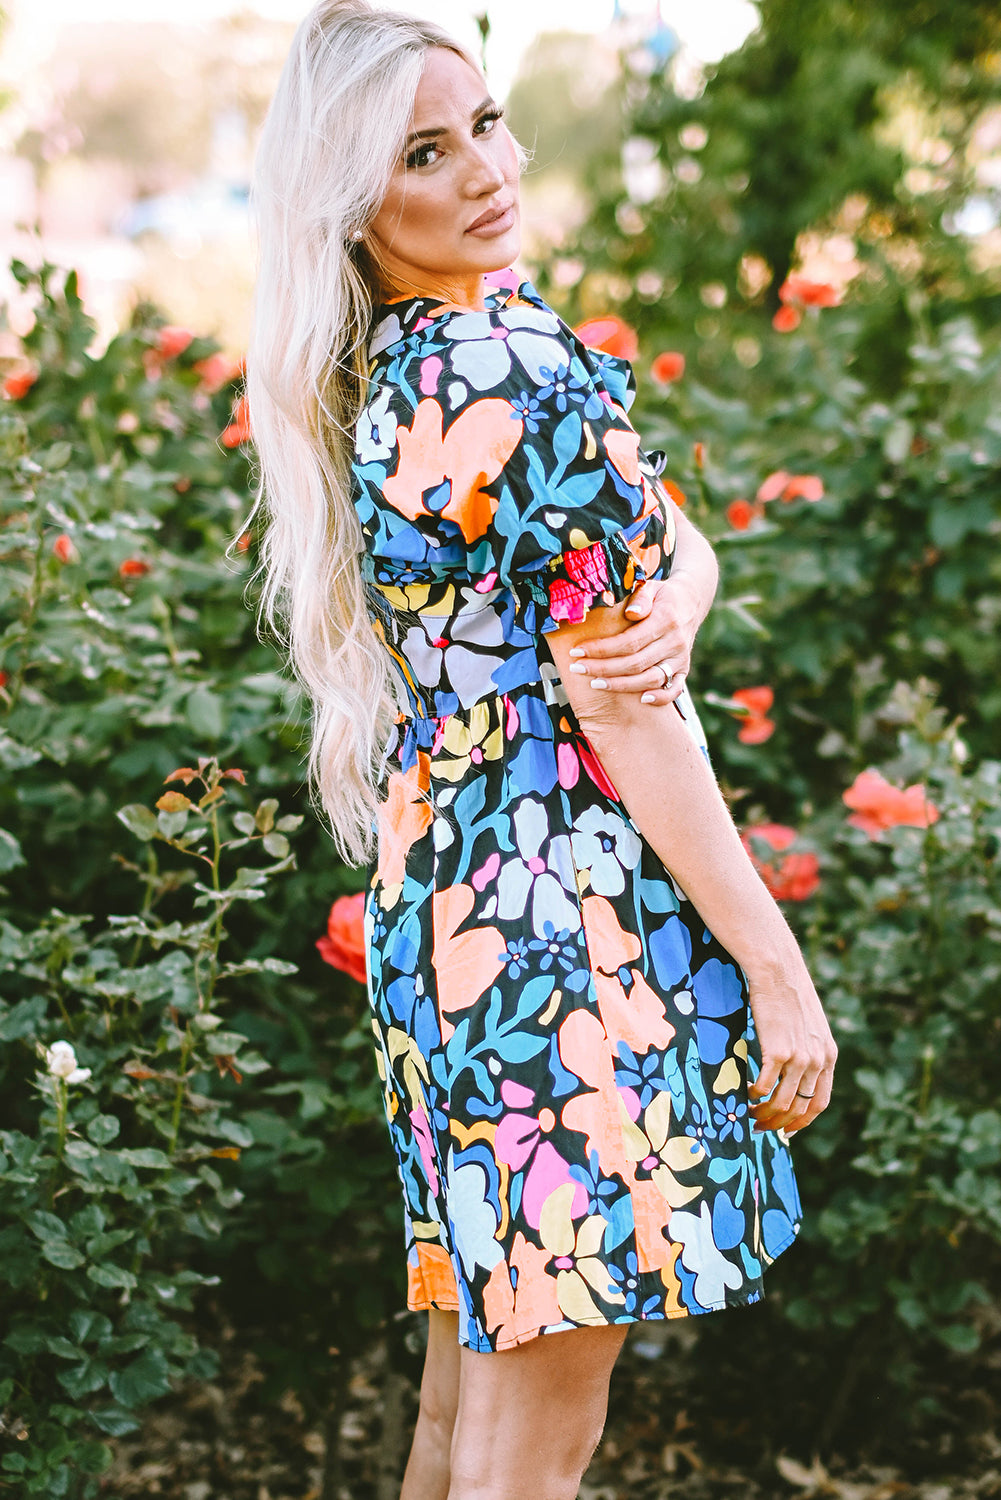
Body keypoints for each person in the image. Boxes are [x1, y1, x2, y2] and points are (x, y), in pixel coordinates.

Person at [245, 4, 838, 1497]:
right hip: (562, 923)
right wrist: (773, 964)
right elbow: (626, 702)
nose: (482, 172)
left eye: (485, 125)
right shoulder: (515, 362)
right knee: (535, 1431)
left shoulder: (413, 371)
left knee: (470, 1400)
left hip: (454, 901)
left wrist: (663, 616)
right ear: (355, 203)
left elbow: (661, 576)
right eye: (423, 153)